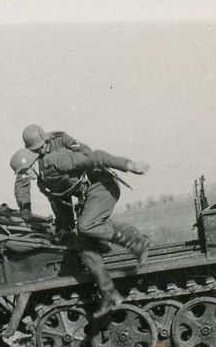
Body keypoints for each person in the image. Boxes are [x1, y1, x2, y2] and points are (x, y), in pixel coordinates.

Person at [10, 140, 152, 320]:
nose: (24, 177)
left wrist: (128, 165)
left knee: (87, 225)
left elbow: (96, 156)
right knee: (82, 246)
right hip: (88, 195)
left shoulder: (56, 160)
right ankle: (109, 293)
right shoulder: (42, 182)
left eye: (23, 172)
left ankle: (136, 240)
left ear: (31, 165)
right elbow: (61, 204)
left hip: (102, 186)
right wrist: (65, 228)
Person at [14, 124, 90, 235]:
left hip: (77, 184)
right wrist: (25, 206)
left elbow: (84, 151)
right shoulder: (29, 155)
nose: (40, 151)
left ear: (45, 139)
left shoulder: (60, 139)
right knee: (66, 227)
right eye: (36, 149)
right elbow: (22, 181)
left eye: (42, 146)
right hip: (57, 193)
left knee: (86, 222)